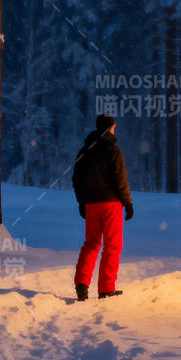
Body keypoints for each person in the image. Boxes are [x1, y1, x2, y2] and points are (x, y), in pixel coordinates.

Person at [72, 113, 133, 301]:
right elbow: (120, 180)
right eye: (114, 127)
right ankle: (106, 288)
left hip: (91, 204)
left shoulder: (84, 151)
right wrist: (128, 203)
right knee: (113, 245)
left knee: (91, 243)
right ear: (109, 128)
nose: (115, 130)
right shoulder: (113, 151)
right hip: (111, 204)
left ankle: (82, 284)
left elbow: (76, 180)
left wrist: (82, 202)